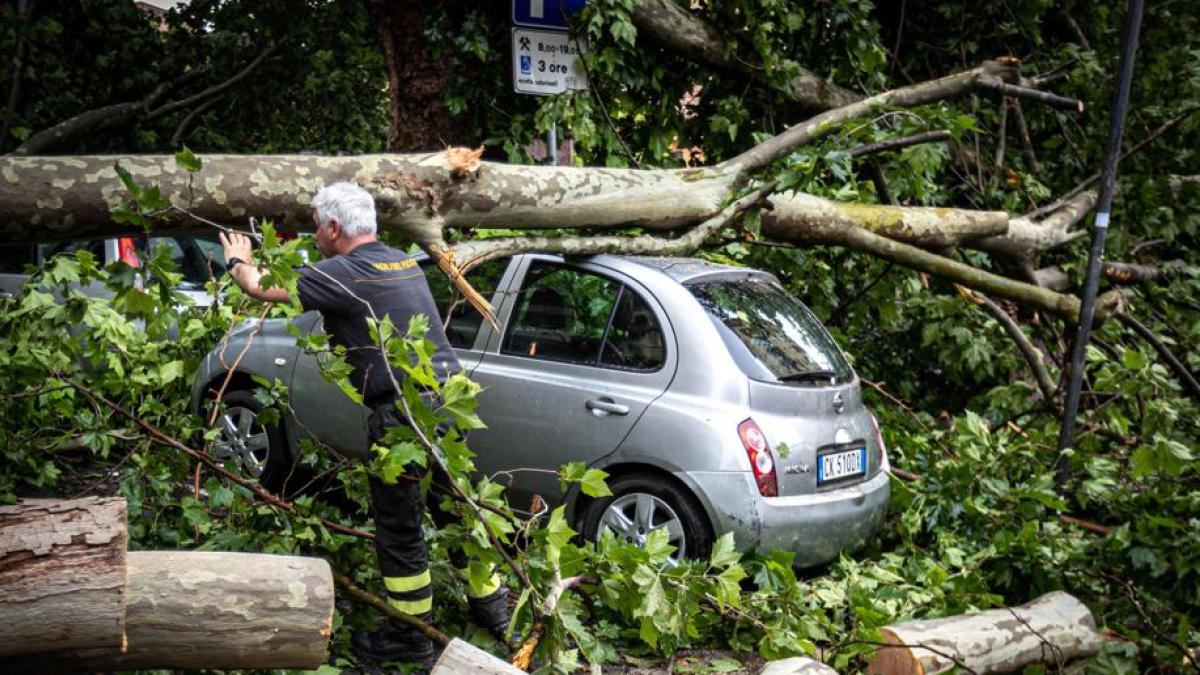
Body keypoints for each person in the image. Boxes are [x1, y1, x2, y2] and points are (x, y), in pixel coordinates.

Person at [219, 182, 509, 663]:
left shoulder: (342, 272)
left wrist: (237, 258)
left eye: (316, 226)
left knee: (400, 528)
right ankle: (493, 608)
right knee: (458, 511)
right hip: (449, 402)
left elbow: (257, 286)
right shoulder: (399, 259)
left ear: (334, 228)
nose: (313, 235)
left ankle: (411, 636)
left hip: (401, 414)